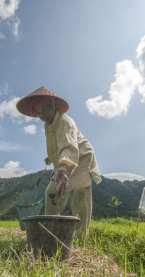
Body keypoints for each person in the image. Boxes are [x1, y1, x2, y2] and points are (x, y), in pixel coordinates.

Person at [16, 86, 102, 239]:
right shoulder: (49, 125)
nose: (42, 115)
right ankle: (51, 232)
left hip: (81, 159)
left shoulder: (64, 122)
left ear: (53, 106)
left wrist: (62, 167)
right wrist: (53, 157)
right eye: (39, 113)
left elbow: (69, 146)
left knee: (80, 200)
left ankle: (80, 239)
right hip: (64, 162)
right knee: (51, 193)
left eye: (44, 110)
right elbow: (60, 145)